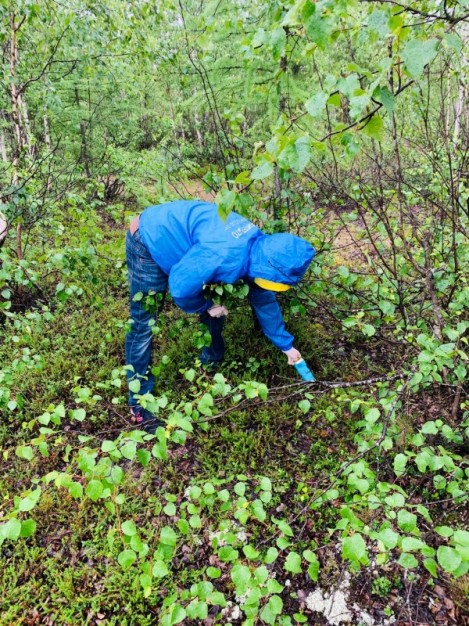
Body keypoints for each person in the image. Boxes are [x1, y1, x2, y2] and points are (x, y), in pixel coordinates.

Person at [125, 199, 315, 432]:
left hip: (191, 246)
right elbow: (181, 288)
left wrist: (286, 345)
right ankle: (139, 403)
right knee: (144, 322)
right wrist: (206, 306)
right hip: (149, 237)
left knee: (216, 303)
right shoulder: (223, 256)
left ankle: (211, 362)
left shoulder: (261, 250)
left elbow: (264, 299)